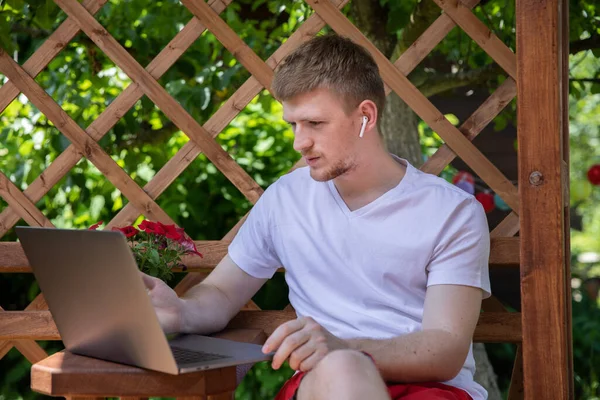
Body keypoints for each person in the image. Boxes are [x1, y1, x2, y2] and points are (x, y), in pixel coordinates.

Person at [141, 33, 491, 400]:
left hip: (429, 390)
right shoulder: (286, 199)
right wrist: (181, 312)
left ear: (365, 116)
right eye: (293, 124)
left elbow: (445, 348)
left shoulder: (450, 212)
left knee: (344, 364)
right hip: (324, 385)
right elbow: (222, 291)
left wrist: (345, 347)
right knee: (341, 370)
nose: (299, 142)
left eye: (314, 124)